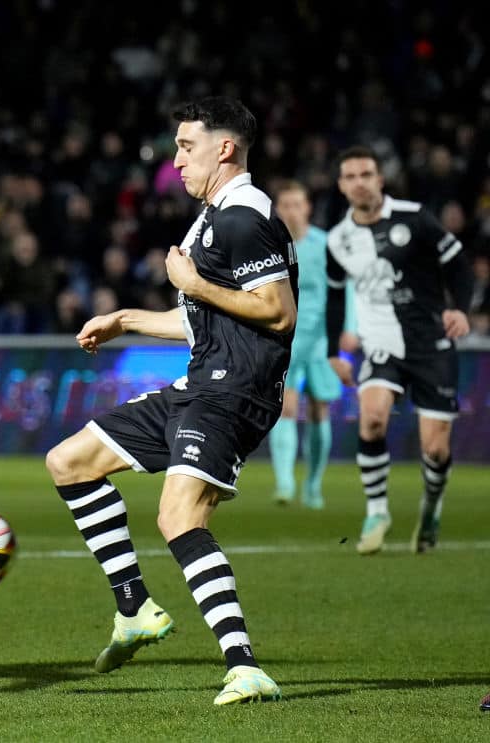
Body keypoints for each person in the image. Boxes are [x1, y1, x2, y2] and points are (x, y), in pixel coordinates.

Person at [45, 97, 297, 706]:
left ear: (225, 148)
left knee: (179, 516)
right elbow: (201, 319)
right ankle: (133, 609)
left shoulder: (244, 216)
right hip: (199, 384)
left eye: (187, 147)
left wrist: (193, 283)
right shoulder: (212, 217)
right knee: (70, 461)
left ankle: (245, 667)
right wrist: (126, 318)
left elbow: (277, 311)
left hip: (235, 393)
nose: (176, 160)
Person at [325, 145, 472, 555]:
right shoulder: (339, 240)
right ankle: (377, 512)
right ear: (341, 185)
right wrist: (333, 350)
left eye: (366, 174)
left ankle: (432, 504)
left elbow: (458, 264)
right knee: (371, 419)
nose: (359, 182)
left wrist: (459, 307)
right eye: (351, 176)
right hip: (381, 346)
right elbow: (336, 297)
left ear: (380, 179)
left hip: (431, 346)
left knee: (435, 448)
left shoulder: (414, 217)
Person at [267, 180, 358, 509]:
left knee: (320, 409)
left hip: (322, 339)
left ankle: (314, 486)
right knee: (286, 407)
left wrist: (350, 328)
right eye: (285, 204)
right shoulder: (270, 247)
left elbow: (344, 290)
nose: (291, 210)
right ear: (278, 209)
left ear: (306, 207)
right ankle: (285, 484)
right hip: (285, 338)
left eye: (296, 204)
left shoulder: (325, 245)